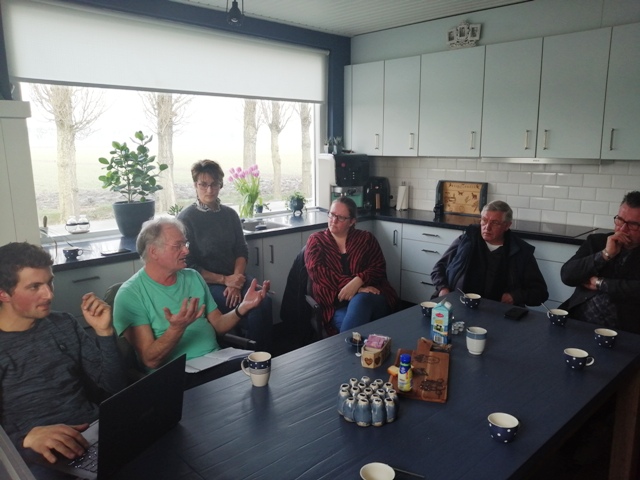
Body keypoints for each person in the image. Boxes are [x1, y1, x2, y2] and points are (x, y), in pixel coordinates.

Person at [0, 242, 126, 470]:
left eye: (50, 282)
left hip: (96, 433)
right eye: (34, 287)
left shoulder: (64, 324)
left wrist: (104, 333)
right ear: (3, 293)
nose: (49, 294)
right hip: (38, 456)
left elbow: (114, 388)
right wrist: (24, 440)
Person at [113, 217, 270, 372]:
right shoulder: (130, 294)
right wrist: (176, 329)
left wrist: (243, 307)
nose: (186, 251)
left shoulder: (193, 277)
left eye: (185, 244)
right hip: (177, 375)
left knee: (262, 371)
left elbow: (218, 325)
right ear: (153, 252)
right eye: (178, 246)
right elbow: (150, 360)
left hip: (217, 360)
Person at [178, 160, 272, 352]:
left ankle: (266, 356)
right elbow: (189, 265)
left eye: (214, 184)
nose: (209, 189)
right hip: (206, 284)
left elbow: (241, 250)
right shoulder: (186, 218)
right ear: (195, 185)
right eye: (203, 184)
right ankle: (254, 358)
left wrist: (235, 280)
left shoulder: (230, 215)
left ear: (220, 185)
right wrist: (225, 280)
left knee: (264, 300)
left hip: (236, 277)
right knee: (253, 309)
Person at [305, 197, 399, 335]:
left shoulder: (366, 239)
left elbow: (378, 267)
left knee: (360, 301)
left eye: (340, 218)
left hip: (370, 299)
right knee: (361, 330)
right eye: (331, 214)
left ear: (352, 221)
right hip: (335, 306)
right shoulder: (316, 241)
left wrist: (359, 280)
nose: (334, 220)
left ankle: (344, 349)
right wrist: (355, 288)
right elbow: (318, 272)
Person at [431, 200, 548, 306]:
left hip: (499, 311)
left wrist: (514, 297)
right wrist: (443, 288)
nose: (487, 227)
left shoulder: (520, 251)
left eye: (495, 223)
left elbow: (540, 292)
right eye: (484, 220)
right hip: (457, 304)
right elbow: (439, 268)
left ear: (507, 226)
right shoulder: (467, 239)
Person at [560, 191, 640, 334]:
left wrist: (600, 283)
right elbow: (567, 275)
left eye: (633, 225)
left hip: (623, 330)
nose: (622, 229)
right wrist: (605, 255)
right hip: (577, 321)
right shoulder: (597, 241)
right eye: (620, 220)